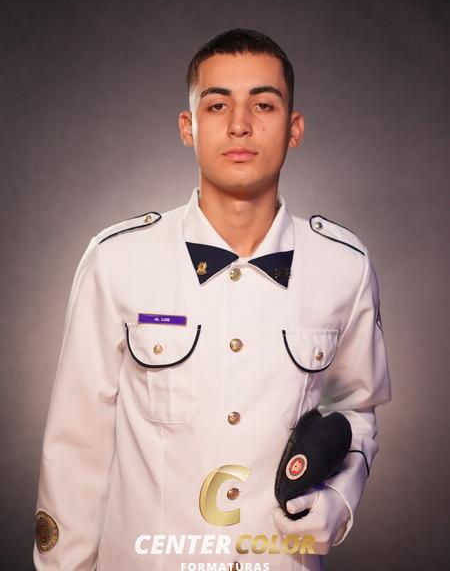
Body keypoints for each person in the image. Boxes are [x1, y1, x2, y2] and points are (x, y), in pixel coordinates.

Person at [33, 28, 391, 571]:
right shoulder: (116, 260)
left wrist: (339, 498)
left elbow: (355, 410)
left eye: (263, 104)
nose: (240, 124)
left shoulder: (344, 266)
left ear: (294, 128)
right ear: (188, 127)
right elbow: (75, 448)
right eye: (217, 104)